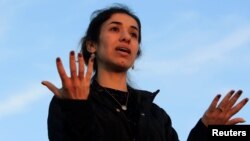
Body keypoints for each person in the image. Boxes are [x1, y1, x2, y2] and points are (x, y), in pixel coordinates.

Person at [41, 4, 249, 141]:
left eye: (134, 34)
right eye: (115, 29)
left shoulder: (155, 114)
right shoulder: (68, 102)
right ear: (92, 45)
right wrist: (77, 109)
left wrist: (205, 132)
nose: (126, 37)